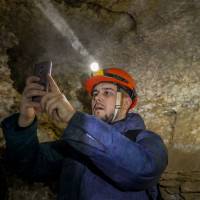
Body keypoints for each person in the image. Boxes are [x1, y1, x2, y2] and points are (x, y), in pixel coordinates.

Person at [1, 67, 168, 200]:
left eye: (107, 93)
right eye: (95, 94)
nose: (97, 98)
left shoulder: (146, 140)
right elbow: (28, 165)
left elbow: (144, 171)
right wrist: (25, 122)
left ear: (125, 102)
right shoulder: (74, 145)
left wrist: (76, 119)